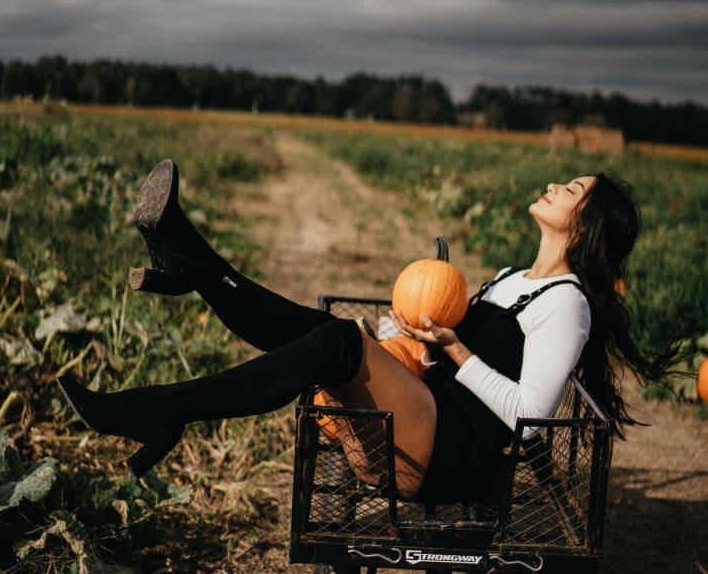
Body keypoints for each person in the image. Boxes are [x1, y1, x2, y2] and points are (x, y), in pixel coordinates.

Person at [57, 161, 671, 505]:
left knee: (336, 344)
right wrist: (409, 336)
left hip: (451, 453)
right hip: (425, 411)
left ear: (585, 227)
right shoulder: (512, 278)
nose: (557, 184)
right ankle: (191, 261)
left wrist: (456, 348)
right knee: (324, 331)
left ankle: (166, 407)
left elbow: (530, 417)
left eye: (573, 190)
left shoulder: (566, 305)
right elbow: (445, 358)